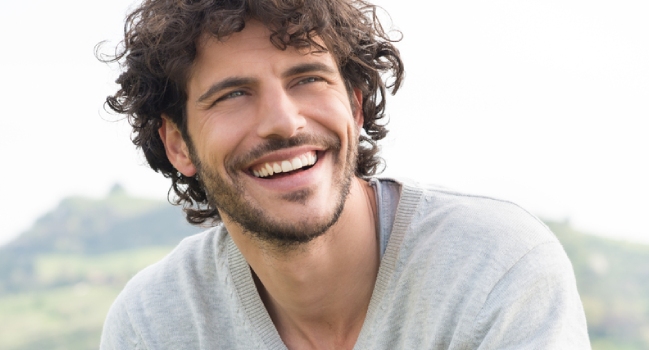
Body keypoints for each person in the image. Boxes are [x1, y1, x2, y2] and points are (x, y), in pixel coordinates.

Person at [99, 0, 591, 348]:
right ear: (178, 143)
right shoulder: (153, 325)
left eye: (308, 79)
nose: (284, 122)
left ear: (355, 106)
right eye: (233, 94)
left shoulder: (495, 268)